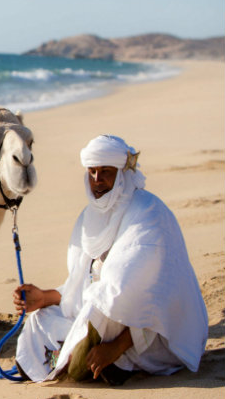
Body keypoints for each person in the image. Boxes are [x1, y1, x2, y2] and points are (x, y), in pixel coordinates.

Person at [12, 134, 208, 385]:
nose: (97, 180)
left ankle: (108, 358)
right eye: (92, 172)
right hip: (108, 318)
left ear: (122, 173)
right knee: (40, 321)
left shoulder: (148, 213)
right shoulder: (90, 216)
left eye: (106, 171)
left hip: (157, 332)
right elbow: (87, 286)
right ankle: (83, 358)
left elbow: (153, 299)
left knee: (98, 319)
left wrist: (115, 347)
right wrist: (45, 297)